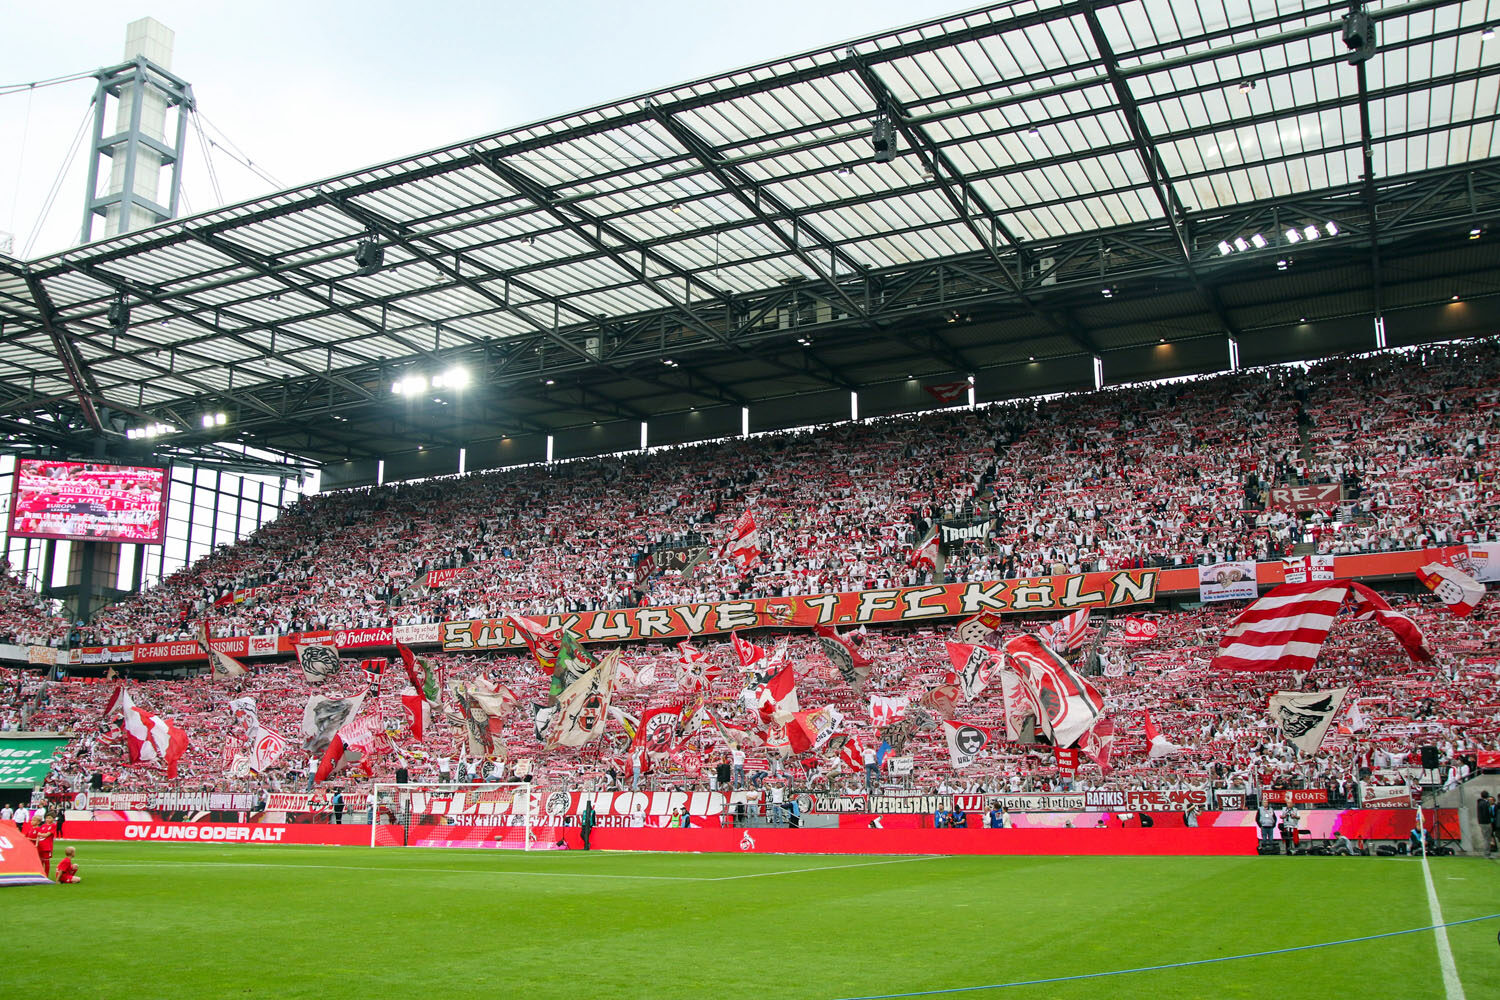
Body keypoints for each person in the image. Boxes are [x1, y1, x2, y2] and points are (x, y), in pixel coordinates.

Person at [1477, 791, 1496, 857]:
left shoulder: (1480, 803)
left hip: (1482, 822)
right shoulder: (1484, 803)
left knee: (1486, 838)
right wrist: (1489, 821)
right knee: (1487, 838)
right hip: (1485, 822)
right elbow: (1486, 813)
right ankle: (1487, 853)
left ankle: (1487, 853)